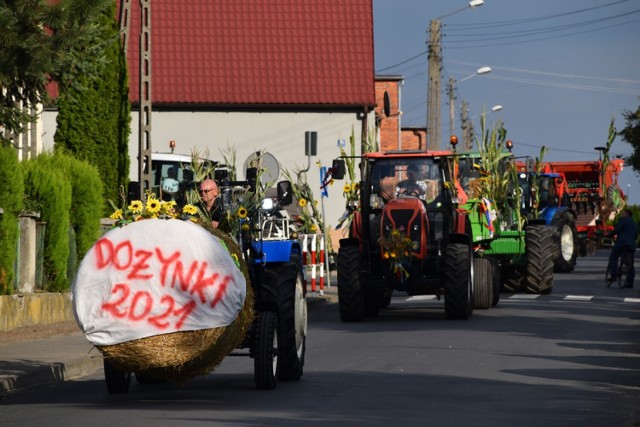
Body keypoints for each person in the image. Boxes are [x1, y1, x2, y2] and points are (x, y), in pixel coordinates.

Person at [606, 208, 638, 287]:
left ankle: (613, 275)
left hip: (621, 243)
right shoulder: (635, 224)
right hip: (631, 245)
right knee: (630, 263)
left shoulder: (623, 220)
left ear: (627, 214)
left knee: (613, 257)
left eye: (623, 213)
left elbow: (617, 230)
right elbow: (635, 236)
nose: (621, 215)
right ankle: (630, 283)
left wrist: (609, 235)